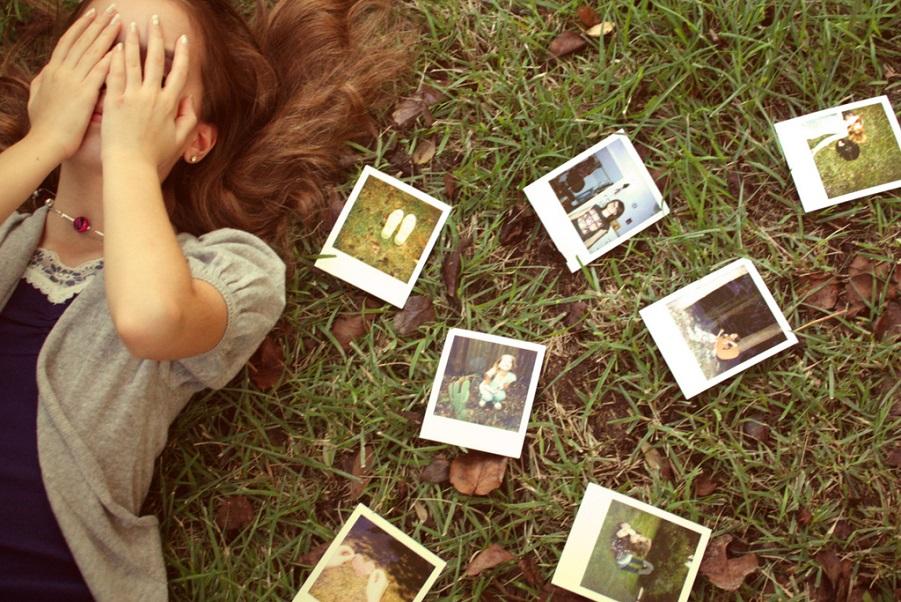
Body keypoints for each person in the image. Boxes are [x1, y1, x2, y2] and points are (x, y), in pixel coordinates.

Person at [0, 0, 406, 599]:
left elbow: (151, 320)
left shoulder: (226, 269)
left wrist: (130, 153)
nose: (117, 83)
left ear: (196, 140)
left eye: (152, 73)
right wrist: (47, 138)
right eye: (98, 52)